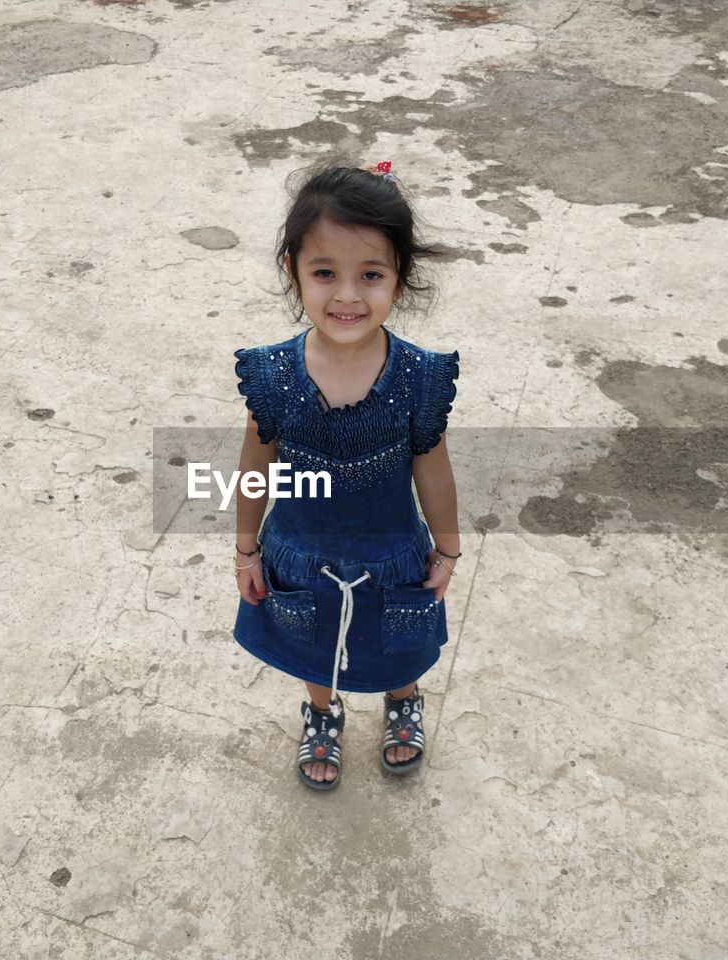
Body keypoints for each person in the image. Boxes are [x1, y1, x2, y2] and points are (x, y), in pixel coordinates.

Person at [230, 158, 462, 791]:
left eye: (372, 274)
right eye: (325, 272)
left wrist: (448, 548)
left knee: (397, 648)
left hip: (393, 558)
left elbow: (433, 471)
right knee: (312, 646)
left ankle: (402, 702)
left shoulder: (420, 378)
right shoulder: (272, 375)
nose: (348, 295)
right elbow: (257, 467)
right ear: (293, 273)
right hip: (300, 557)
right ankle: (322, 712)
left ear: (400, 278)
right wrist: (246, 550)